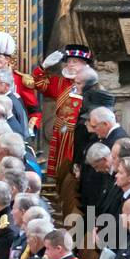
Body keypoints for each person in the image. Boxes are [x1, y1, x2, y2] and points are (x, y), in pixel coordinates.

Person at [32, 44, 95, 181]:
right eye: (69, 61)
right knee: (60, 172)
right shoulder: (61, 83)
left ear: (85, 64)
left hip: (79, 134)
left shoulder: (93, 85)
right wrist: (43, 67)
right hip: (61, 133)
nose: (70, 65)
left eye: (75, 62)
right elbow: (38, 83)